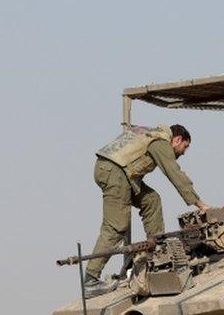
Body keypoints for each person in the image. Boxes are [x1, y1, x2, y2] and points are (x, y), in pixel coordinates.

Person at [85, 124, 209, 297]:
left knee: (151, 200)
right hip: (116, 173)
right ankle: (90, 279)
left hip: (117, 172)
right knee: (116, 226)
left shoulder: (151, 134)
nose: (184, 152)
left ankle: (158, 251)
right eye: (185, 146)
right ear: (177, 140)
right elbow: (175, 173)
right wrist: (201, 205)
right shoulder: (160, 143)